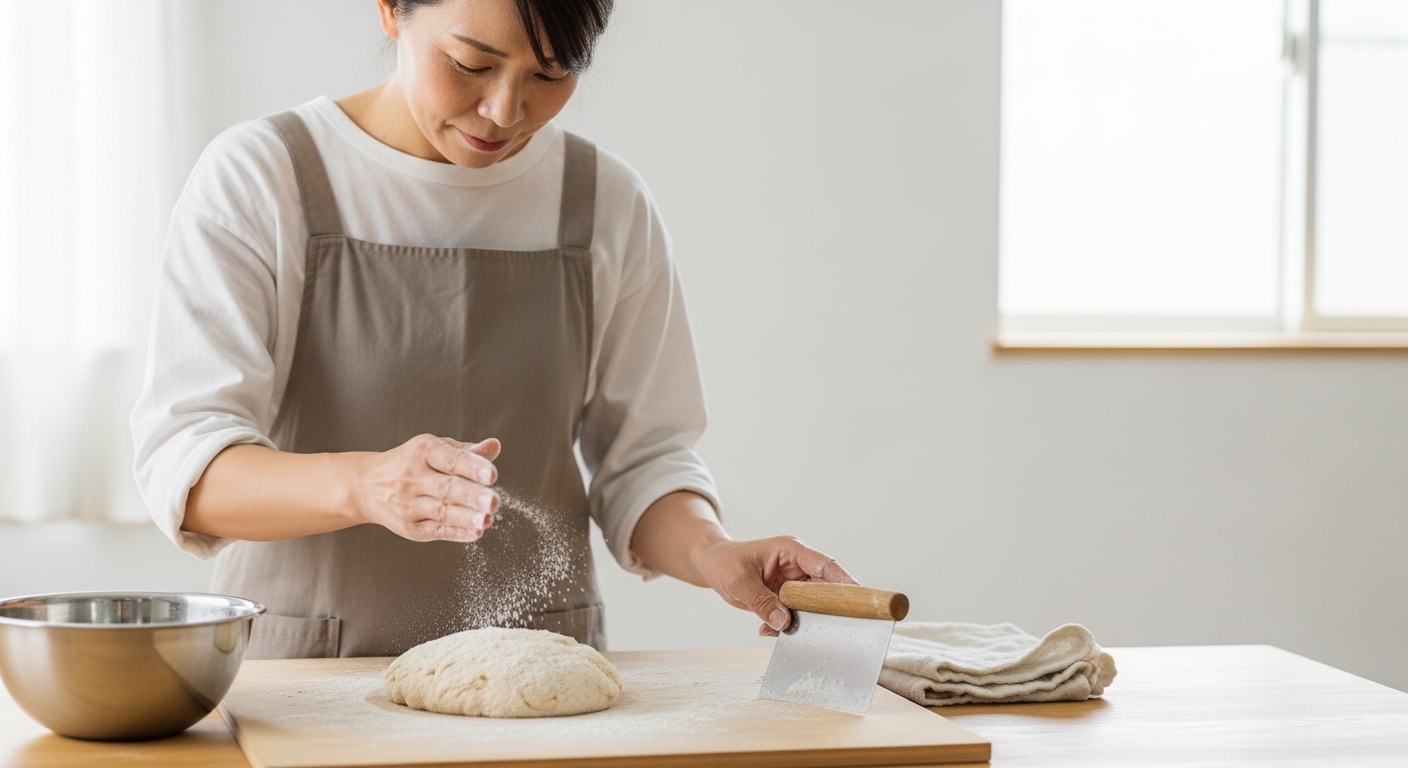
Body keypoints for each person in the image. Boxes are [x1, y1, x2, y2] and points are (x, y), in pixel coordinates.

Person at [131, 0, 853, 659]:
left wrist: (712, 552)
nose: (505, 110)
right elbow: (189, 469)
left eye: (550, 73)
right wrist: (367, 485)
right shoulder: (266, 177)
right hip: (305, 679)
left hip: (540, 672)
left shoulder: (603, 202)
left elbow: (645, 461)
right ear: (390, 10)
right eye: (470, 64)